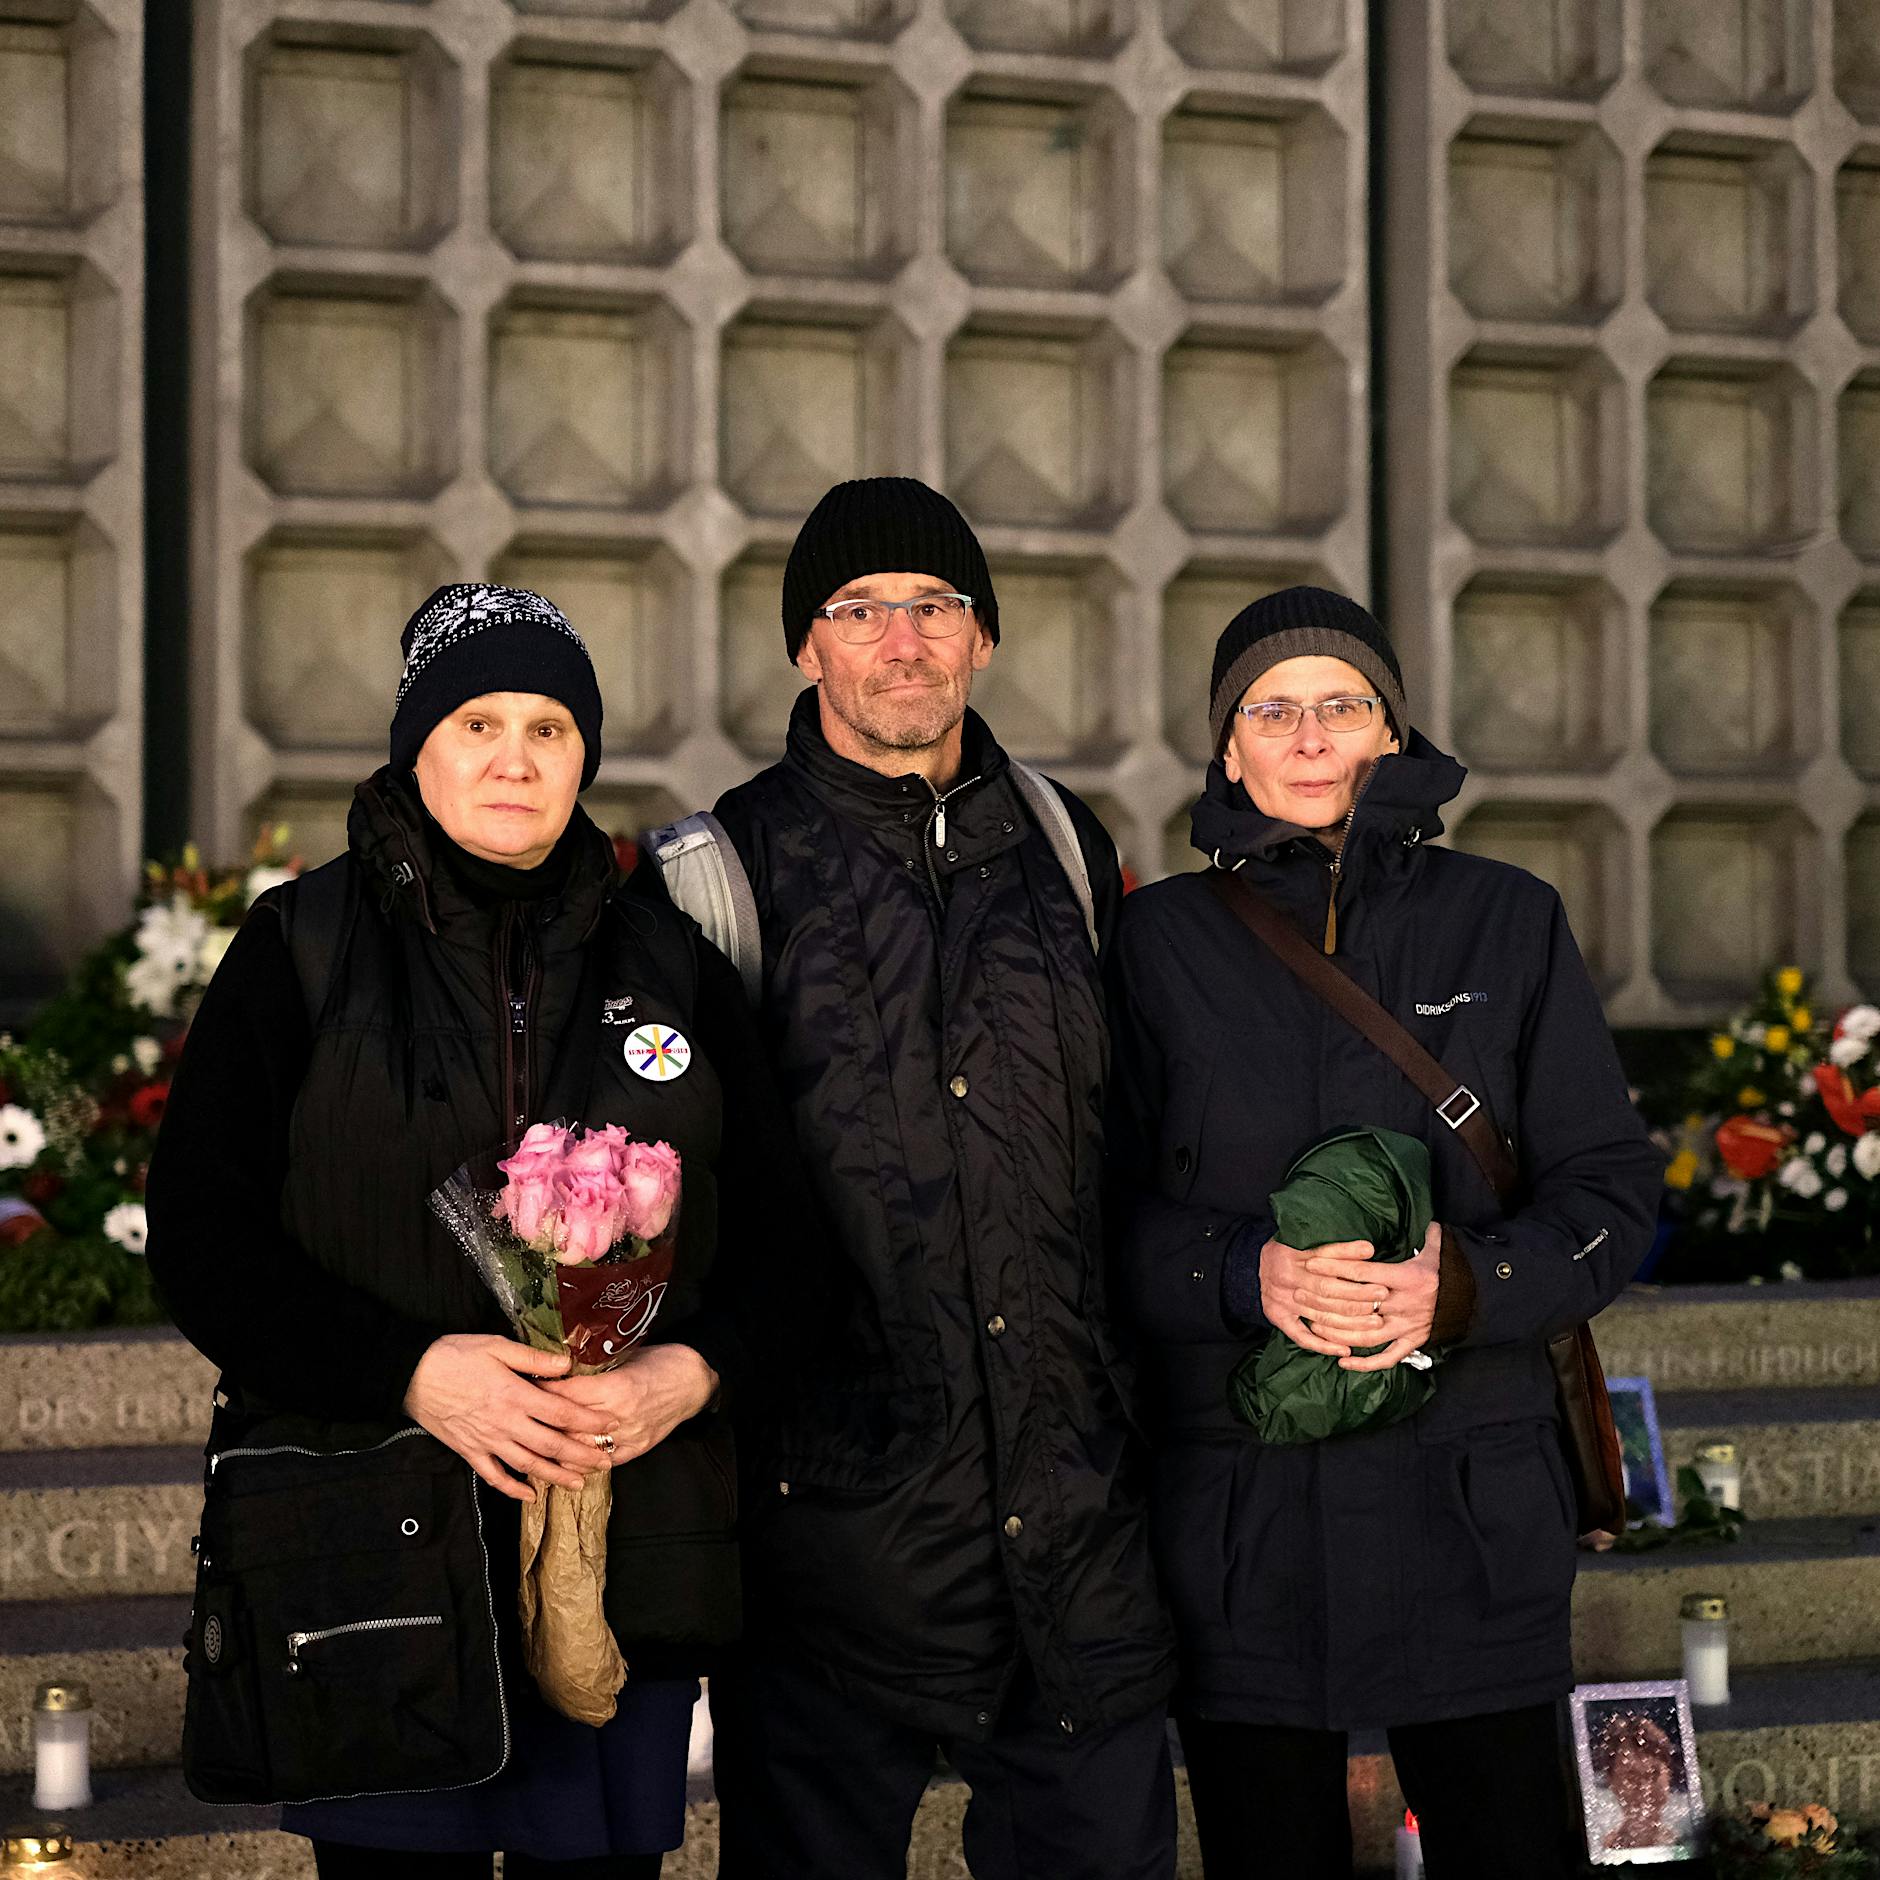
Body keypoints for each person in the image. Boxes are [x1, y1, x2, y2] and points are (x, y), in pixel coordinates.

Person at [147, 583, 792, 1878]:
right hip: (376, 1549)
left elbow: (791, 1242)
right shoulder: (301, 948)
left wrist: (692, 1369)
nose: (515, 757)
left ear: (586, 757)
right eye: (478, 722)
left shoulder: (669, 963)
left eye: (550, 728)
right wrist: (413, 1370)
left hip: (624, 1562)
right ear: (417, 748)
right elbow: (202, 1241)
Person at [643, 478, 1177, 1879]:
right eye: (860, 611)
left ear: (984, 639)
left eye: (937, 607)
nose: (904, 642)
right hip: (833, 1548)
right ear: (804, 647)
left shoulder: (1069, 848)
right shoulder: (718, 874)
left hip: (1079, 1539)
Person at [1105, 586, 1665, 1879]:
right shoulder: (1154, 941)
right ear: (1227, 747)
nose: (1310, 738)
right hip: (1242, 1519)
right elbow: (1094, 1218)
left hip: (1469, 1506)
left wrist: (1466, 1284)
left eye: (1344, 706)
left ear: (1396, 737)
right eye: (1274, 709)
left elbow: (1609, 1188)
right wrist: (1243, 1271)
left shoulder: (1508, 917)